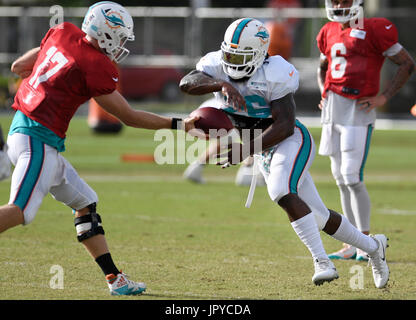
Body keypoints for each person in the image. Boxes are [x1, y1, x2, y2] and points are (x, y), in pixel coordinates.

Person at [2, 1, 197, 296]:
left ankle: (115, 279)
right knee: (20, 211)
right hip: (36, 140)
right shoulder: (95, 65)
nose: (120, 45)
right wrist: (180, 124)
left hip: (28, 131)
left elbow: (18, 67)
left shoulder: (62, 31)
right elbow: (130, 116)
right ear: (106, 34)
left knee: (85, 203)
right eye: (119, 37)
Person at [180, 17, 390, 288]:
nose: (232, 61)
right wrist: (220, 85)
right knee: (318, 216)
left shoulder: (276, 72)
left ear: (258, 54)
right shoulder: (216, 65)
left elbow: (284, 126)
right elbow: (187, 82)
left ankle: (322, 262)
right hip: (264, 148)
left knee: (280, 191)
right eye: (229, 53)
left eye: (240, 55)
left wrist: (245, 150)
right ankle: (374, 247)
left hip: (290, 140)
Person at [317, 0, 415, 261]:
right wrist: (322, 91)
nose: (338, 5)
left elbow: (407, 63)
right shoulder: (328, 30)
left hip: (357, 109)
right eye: (334, 0)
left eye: (344, 0)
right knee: (339, 177)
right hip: (333, 108)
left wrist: (384, 97)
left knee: (351, 176)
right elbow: (323, 67)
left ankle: (365, 241)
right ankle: (351, 243)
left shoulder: (374, 28)